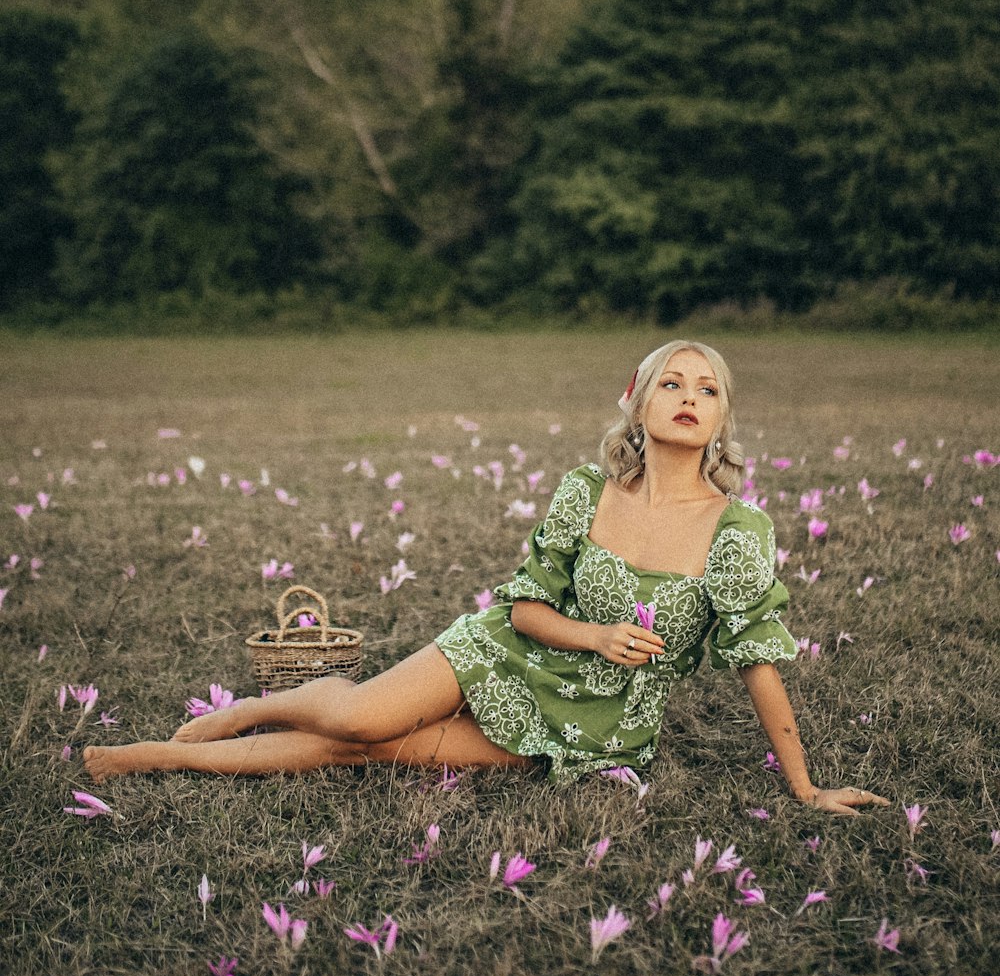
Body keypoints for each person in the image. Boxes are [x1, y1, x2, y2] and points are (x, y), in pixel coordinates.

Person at [84, 340, 888, 817]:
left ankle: (159, 760)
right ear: (639, 405)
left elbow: (759, 661)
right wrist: (596, 634)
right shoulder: (587, 490)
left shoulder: (737, 532)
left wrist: (808, 787)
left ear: (721, 421)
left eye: (707, 389)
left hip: (594, 721)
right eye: (670, 383)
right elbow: (528, 609)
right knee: (361, 715)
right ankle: (247, 710)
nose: (688, 397)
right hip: (506, 648)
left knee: (362, 753)